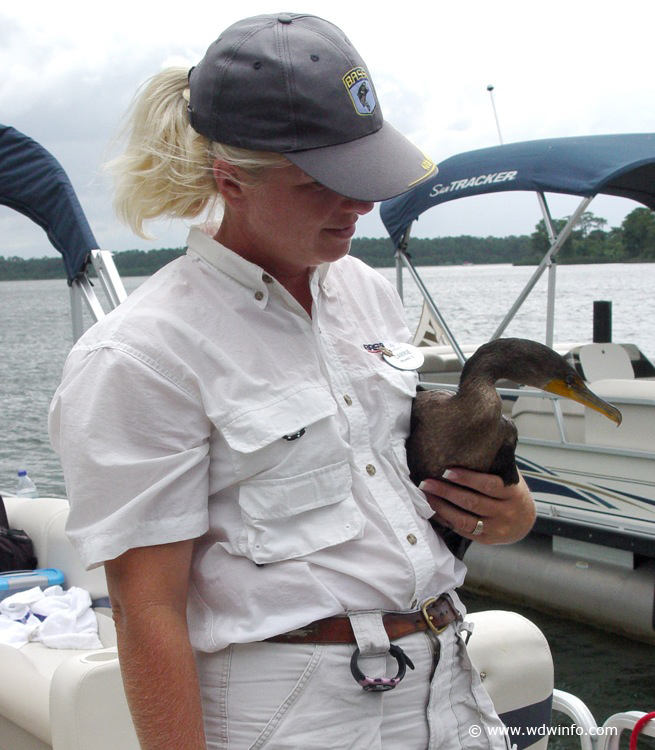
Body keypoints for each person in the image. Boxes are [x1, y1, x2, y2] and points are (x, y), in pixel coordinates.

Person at [49, 13, 535, 750]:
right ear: (229, 181)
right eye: (325, 186)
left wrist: (508, 511)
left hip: (448, 681)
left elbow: (396, 481)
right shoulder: (140, 353)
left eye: (365, 177)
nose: (361, 206)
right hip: (296, 714)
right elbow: (147, 612)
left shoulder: (367, 293)